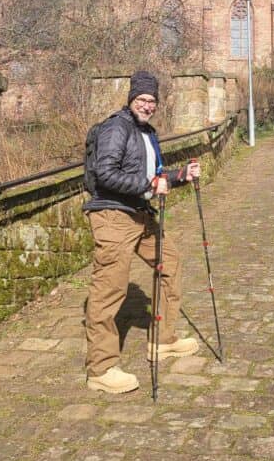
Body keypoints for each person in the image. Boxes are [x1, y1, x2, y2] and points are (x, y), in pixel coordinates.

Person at [83, 70, 201, 394]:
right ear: (131, 98)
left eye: (152, 101)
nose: (147, 105)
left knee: (171, 264)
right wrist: (148, 184)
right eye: (142, 99)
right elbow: (106, 173)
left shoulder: (148, 133)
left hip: (140, 214)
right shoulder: (116, 128)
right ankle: (101, 368)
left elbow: (154, 175)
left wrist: (180, 176)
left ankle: (162, 341)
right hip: (112, 215)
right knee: (110, 289)